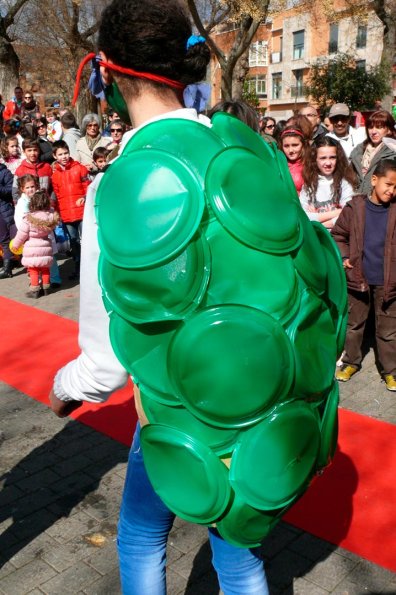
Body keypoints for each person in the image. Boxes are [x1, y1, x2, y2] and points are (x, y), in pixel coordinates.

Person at [49, 1, 271, 593]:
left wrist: (62, 391)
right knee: (240, 550)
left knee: (144, 536)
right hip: (257, 394)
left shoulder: (119, 184)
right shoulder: (247, 152)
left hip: (178, 410)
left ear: (107, 73)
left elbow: (106, 366)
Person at [332, 160, 396, 391]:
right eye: (388, 184)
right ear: (375, 180)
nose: (392, 191)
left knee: (388, 331)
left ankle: (390, 371)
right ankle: (350, 362)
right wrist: (344, 257)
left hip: (389, 283)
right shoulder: (355, 208)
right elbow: (339, 235)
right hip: (358, 279)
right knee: (354, 325)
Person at [51, 139, 90, 280]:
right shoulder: (55, 175)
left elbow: (88, 187)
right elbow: (57, 195)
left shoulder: (79, 168)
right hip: (67, 215)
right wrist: (57, 212)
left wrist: (85, 198)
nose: (64, 156)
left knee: (86, 240)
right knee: (73, 242)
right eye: (60, 154)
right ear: (55, 156)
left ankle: (90, 267)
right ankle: (78, 267)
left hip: (82, 212)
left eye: (66, 153)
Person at [11, 189, 58, 298]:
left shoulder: (28, 219)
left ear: (32, 203)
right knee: (45, 268)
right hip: (46, 245)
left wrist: (16, 245)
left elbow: (21, 234)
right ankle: (46, 288)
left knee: (33, 269)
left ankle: (35, 290)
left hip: (32, 247)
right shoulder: (50, 217)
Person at [300, 136, 356, 228]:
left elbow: (348, 214)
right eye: (323, 158)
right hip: (315, 236)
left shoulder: (344, 183)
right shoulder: (309, 184)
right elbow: (303, 216)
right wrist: (337, 212)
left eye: (332, 157)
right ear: (315, 159)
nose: (328, 163)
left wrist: (320, 224)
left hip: (337, 236)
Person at [349, 110, 396, 195]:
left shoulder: (393, 152)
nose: (373, 132)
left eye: (379, 127)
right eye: (370, 127)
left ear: (389, 130)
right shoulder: (359, 150)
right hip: (358, 201)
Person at [279, 125, 308, 194]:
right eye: (286, 146)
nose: (290, 150)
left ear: (303, 145)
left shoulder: (311, 164)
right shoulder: (277, 164)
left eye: (295, 145)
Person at [0, 159, 15, 279]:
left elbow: (11, 190)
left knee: (4, 240)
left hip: (2, 210)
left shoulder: (4, 172)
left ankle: (7, 268)